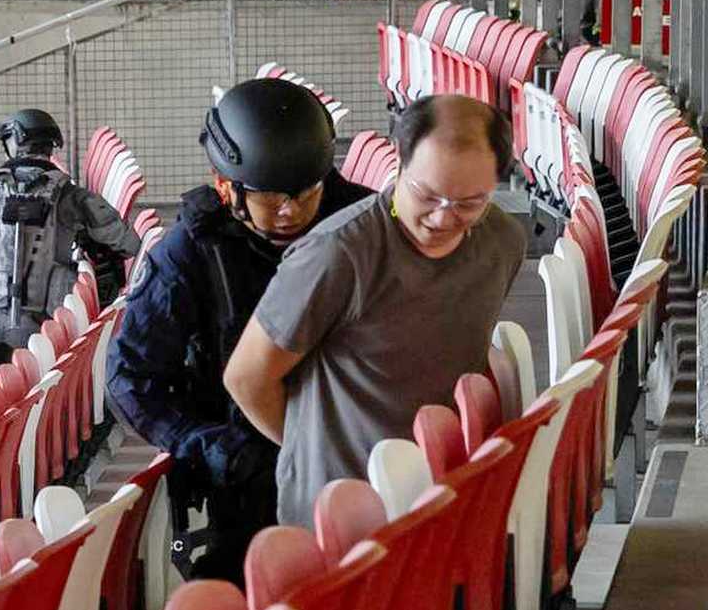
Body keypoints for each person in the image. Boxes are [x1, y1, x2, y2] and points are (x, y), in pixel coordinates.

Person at [106, 78, 371, 581]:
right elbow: (129, 379)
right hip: (252, 474)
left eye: (305, 193)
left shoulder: (362, 219)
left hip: (356, 452)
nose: (290, 211)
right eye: (271, 198)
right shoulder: (190, 253)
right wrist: (208, 444)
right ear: (226, 186)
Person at [225, 94, 528, 527]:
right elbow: (248, 377)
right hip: (340, 510)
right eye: (428, 195)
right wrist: (313, 449)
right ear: (400, 164)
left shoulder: (502, 241)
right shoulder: (337, 255)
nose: (443, 219)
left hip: (437, 495)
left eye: (469, 203)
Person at [0, 109, 140, 380]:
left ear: (15, 143)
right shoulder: (70, 195)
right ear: (50, 147)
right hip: (44, 324)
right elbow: (128, 243)